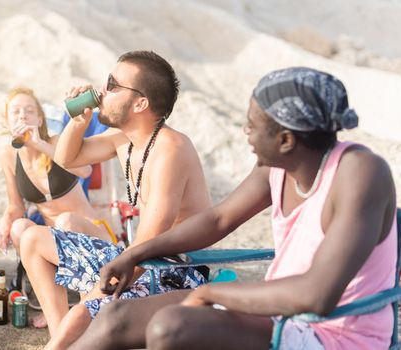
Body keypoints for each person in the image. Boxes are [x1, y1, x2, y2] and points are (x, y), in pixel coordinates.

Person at [69, 67, 398, 350]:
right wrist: (134, 254)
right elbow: (217, 219)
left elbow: (317, 295)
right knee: (118, 316)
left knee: (172, 327)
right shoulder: (279, 166)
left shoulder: (360, 174)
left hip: (334, 333)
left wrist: (214, 292)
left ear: (286, 140)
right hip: (278, 312)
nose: (246, 132)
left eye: (253, 125)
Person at [18, 51, 212, 349]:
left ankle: (64, 341)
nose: (102, 90)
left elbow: (152, 239)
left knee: (84, 312)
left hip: (171, 272)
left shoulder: (171, 148)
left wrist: (93, 300)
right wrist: (79, 121)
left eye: (112, 84)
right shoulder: (123, 139)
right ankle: (61, 338)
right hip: (137, 259)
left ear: (140, 102)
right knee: (32, 239)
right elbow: (66, 158)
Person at [0, 87, 115, 324]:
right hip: (52, 243)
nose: (22, 116)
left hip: (91, 232)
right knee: (20, 226)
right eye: (16, 112)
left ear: (39, 119)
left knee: (66, 221)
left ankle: (84, 311)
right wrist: (4, 221)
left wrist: (40, 145)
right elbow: (16, 205)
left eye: (29, 111)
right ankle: (54, 311)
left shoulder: (56, 142)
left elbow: (85, 170)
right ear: (8, 121)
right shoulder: (9, 156)